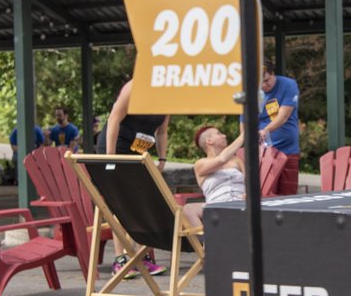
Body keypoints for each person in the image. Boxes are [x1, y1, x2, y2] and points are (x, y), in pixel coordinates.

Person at [104, 80, 169, 278]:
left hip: (141, 153)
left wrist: (162, 159)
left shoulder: (169, 94)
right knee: (122, 203)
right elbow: (114, 119)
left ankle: (142, 257)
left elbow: (162, 131)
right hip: (118, 147)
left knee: (143, 203)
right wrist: (110, 158)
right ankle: (121, 259)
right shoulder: (133, 87)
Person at [182, 125, 247, 228]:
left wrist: (248, 194)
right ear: (209, 141)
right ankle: (204, 240)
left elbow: (251, 184)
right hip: (216, 207)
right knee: (188, 209)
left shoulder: (237, 160)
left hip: (241, 204)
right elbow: (221, 160)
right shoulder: (200, 164)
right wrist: (243, 136)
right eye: (219, 133)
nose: (224, 136)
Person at [258, 60, 300, 195]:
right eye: (260, 83)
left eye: (267, 80)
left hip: (288, 150)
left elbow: (283, 117)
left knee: (288, 195)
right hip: (264, 153)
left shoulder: (288, 85)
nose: (264, 85)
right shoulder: (251, 91)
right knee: (266, 193)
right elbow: (244, 123)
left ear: (272, 73)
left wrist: (265, 131)